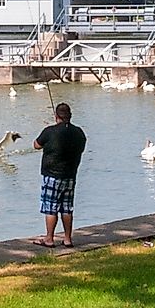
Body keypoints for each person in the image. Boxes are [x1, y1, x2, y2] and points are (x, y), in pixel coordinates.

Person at [33, 101, 87, 246]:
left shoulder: (49, 131)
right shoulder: (79, 133)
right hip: (70, 175)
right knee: (67, 207)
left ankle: (49, 239)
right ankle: (68, 239)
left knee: (51, 207)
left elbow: (36, 145)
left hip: (51, 175)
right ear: (70, 116)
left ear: (56, 116)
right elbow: (82, 147)